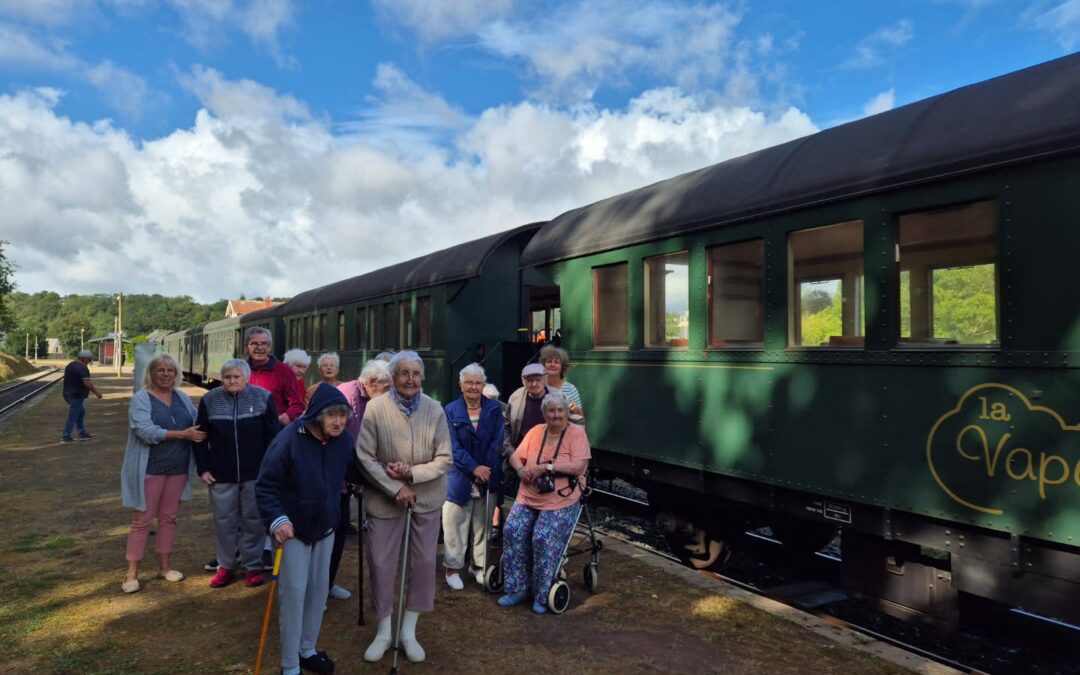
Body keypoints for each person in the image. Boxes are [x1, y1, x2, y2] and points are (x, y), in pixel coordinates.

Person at [356, 351, 451, 664]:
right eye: (404, 373)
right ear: (393, 377)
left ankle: (409, 631)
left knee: (423, 564)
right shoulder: (375, 408)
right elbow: (364, 456)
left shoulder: (435, 409)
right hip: (385, 499)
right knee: (381, 564)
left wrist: (412, 474)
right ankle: (384, 631)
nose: (410, 379)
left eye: (416, 373)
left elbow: (445, 458)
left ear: (422, 377)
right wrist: (395, 486)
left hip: (426, 498)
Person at [256, 384, 354, 675]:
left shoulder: (343, 440)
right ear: (318, 415)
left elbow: (356, 470)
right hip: (293, 530)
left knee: (318, 591)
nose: (338, 422)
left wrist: (388, 474)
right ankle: (290, 664)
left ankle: (307, 649)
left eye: (343, 415)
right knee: (294, 594)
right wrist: (277, 519)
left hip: (325, 526)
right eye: (332, 415)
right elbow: (265, 486)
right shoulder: (289, 439)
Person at [119, 354, 206, 593]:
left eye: (170, 370)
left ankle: (165, 567)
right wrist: (182, 435)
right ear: (151, 373)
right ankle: (131, 573)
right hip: (150, 469)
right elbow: (145, 431)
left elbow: (198, 422)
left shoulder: (182, 397)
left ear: (176, 374)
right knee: (142, 520)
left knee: (169, 518)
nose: (166, 374)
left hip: (178, 469)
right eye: (161, 370)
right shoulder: (142, 398)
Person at [498, 390, 591, 614]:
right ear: (544, 413)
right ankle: (519, 588)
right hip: (530, 493)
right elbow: (516, 455)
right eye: (551, 410)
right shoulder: (536, 432)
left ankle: (542, 593)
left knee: (542, 537)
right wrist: (521, 470)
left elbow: (578, 466)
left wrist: (546, 467)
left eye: (560, 410)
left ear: (567, 412)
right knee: (512, 530)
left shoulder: (576, 434)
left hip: (561, 497)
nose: (555, 415)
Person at [193, 359, 280, 589]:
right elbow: (200, 436)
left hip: (255, 473)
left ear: (246, 378)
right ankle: (226, 566)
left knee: (254, 520)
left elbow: (273, 437)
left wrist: (270, 470)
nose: (231, 381)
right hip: (221, 474)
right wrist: (203, 467)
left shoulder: (263, 398)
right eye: (227, 377)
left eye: (236, 377)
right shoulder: (210, 400)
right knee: (224, 521)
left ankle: (253, 566)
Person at [327, 359, 392, 601]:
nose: (389, 394)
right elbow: (346, 441)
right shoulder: (348, 395)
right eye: (386, 388)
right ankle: (319, 589)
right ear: (372, 382)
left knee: (340, 530)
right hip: (335, 479)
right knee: (330, 533)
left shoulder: (372, 398)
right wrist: (355, 476)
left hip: (349, 476)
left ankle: (328, 583)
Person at [442, 364, 504, 589]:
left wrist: (484, 468)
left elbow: (497, 441)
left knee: (483, 526)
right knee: (455, 526)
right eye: (469, 382)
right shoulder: (450, 410)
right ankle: (452, 569)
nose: (473, 387)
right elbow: (451, 445)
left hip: (488, 474)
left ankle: (478, 566)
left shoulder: (494, 409)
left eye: (478, 383)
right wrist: (474, 468)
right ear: (461, 385)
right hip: (459, 476)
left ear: (483, 385)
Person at [246, 328, 305, 427]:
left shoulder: (284, 371)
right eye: (254, 343)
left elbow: (297, 404)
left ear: (270, 347)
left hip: (274, 428)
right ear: (247, 346)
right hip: (246, 429)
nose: (259, 348)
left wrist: (289, 416)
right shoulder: (239, 370)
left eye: (264, 344)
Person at [503, 363, 559, 457]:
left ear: (545, 379)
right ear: (523, 381)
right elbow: (507, 426)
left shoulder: (558, 396)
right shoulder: (515, 397)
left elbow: (570, 423)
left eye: (538, 380)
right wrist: (509, 450)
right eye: (530, 380)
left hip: (551, 451)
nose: (534, 384)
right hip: (521, 452)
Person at [61, 349, 102, 442]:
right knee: (73, 415)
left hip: (67, 393)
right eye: (90, 359)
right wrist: (97, 393)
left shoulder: (70, 365)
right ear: (85, 359)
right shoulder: (82, 368)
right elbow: (87, 383)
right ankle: (66, 436)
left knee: (81, 412)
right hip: (76, 395)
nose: (90, 361)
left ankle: (81, 432)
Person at [538, 344, 585, 421]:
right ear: (543, 365)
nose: (552, 365)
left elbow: (581, 418)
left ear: (562, 367)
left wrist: (576, 410)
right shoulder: (538, 386)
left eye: (556, 362)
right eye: (549, 361)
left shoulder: (570, 389)